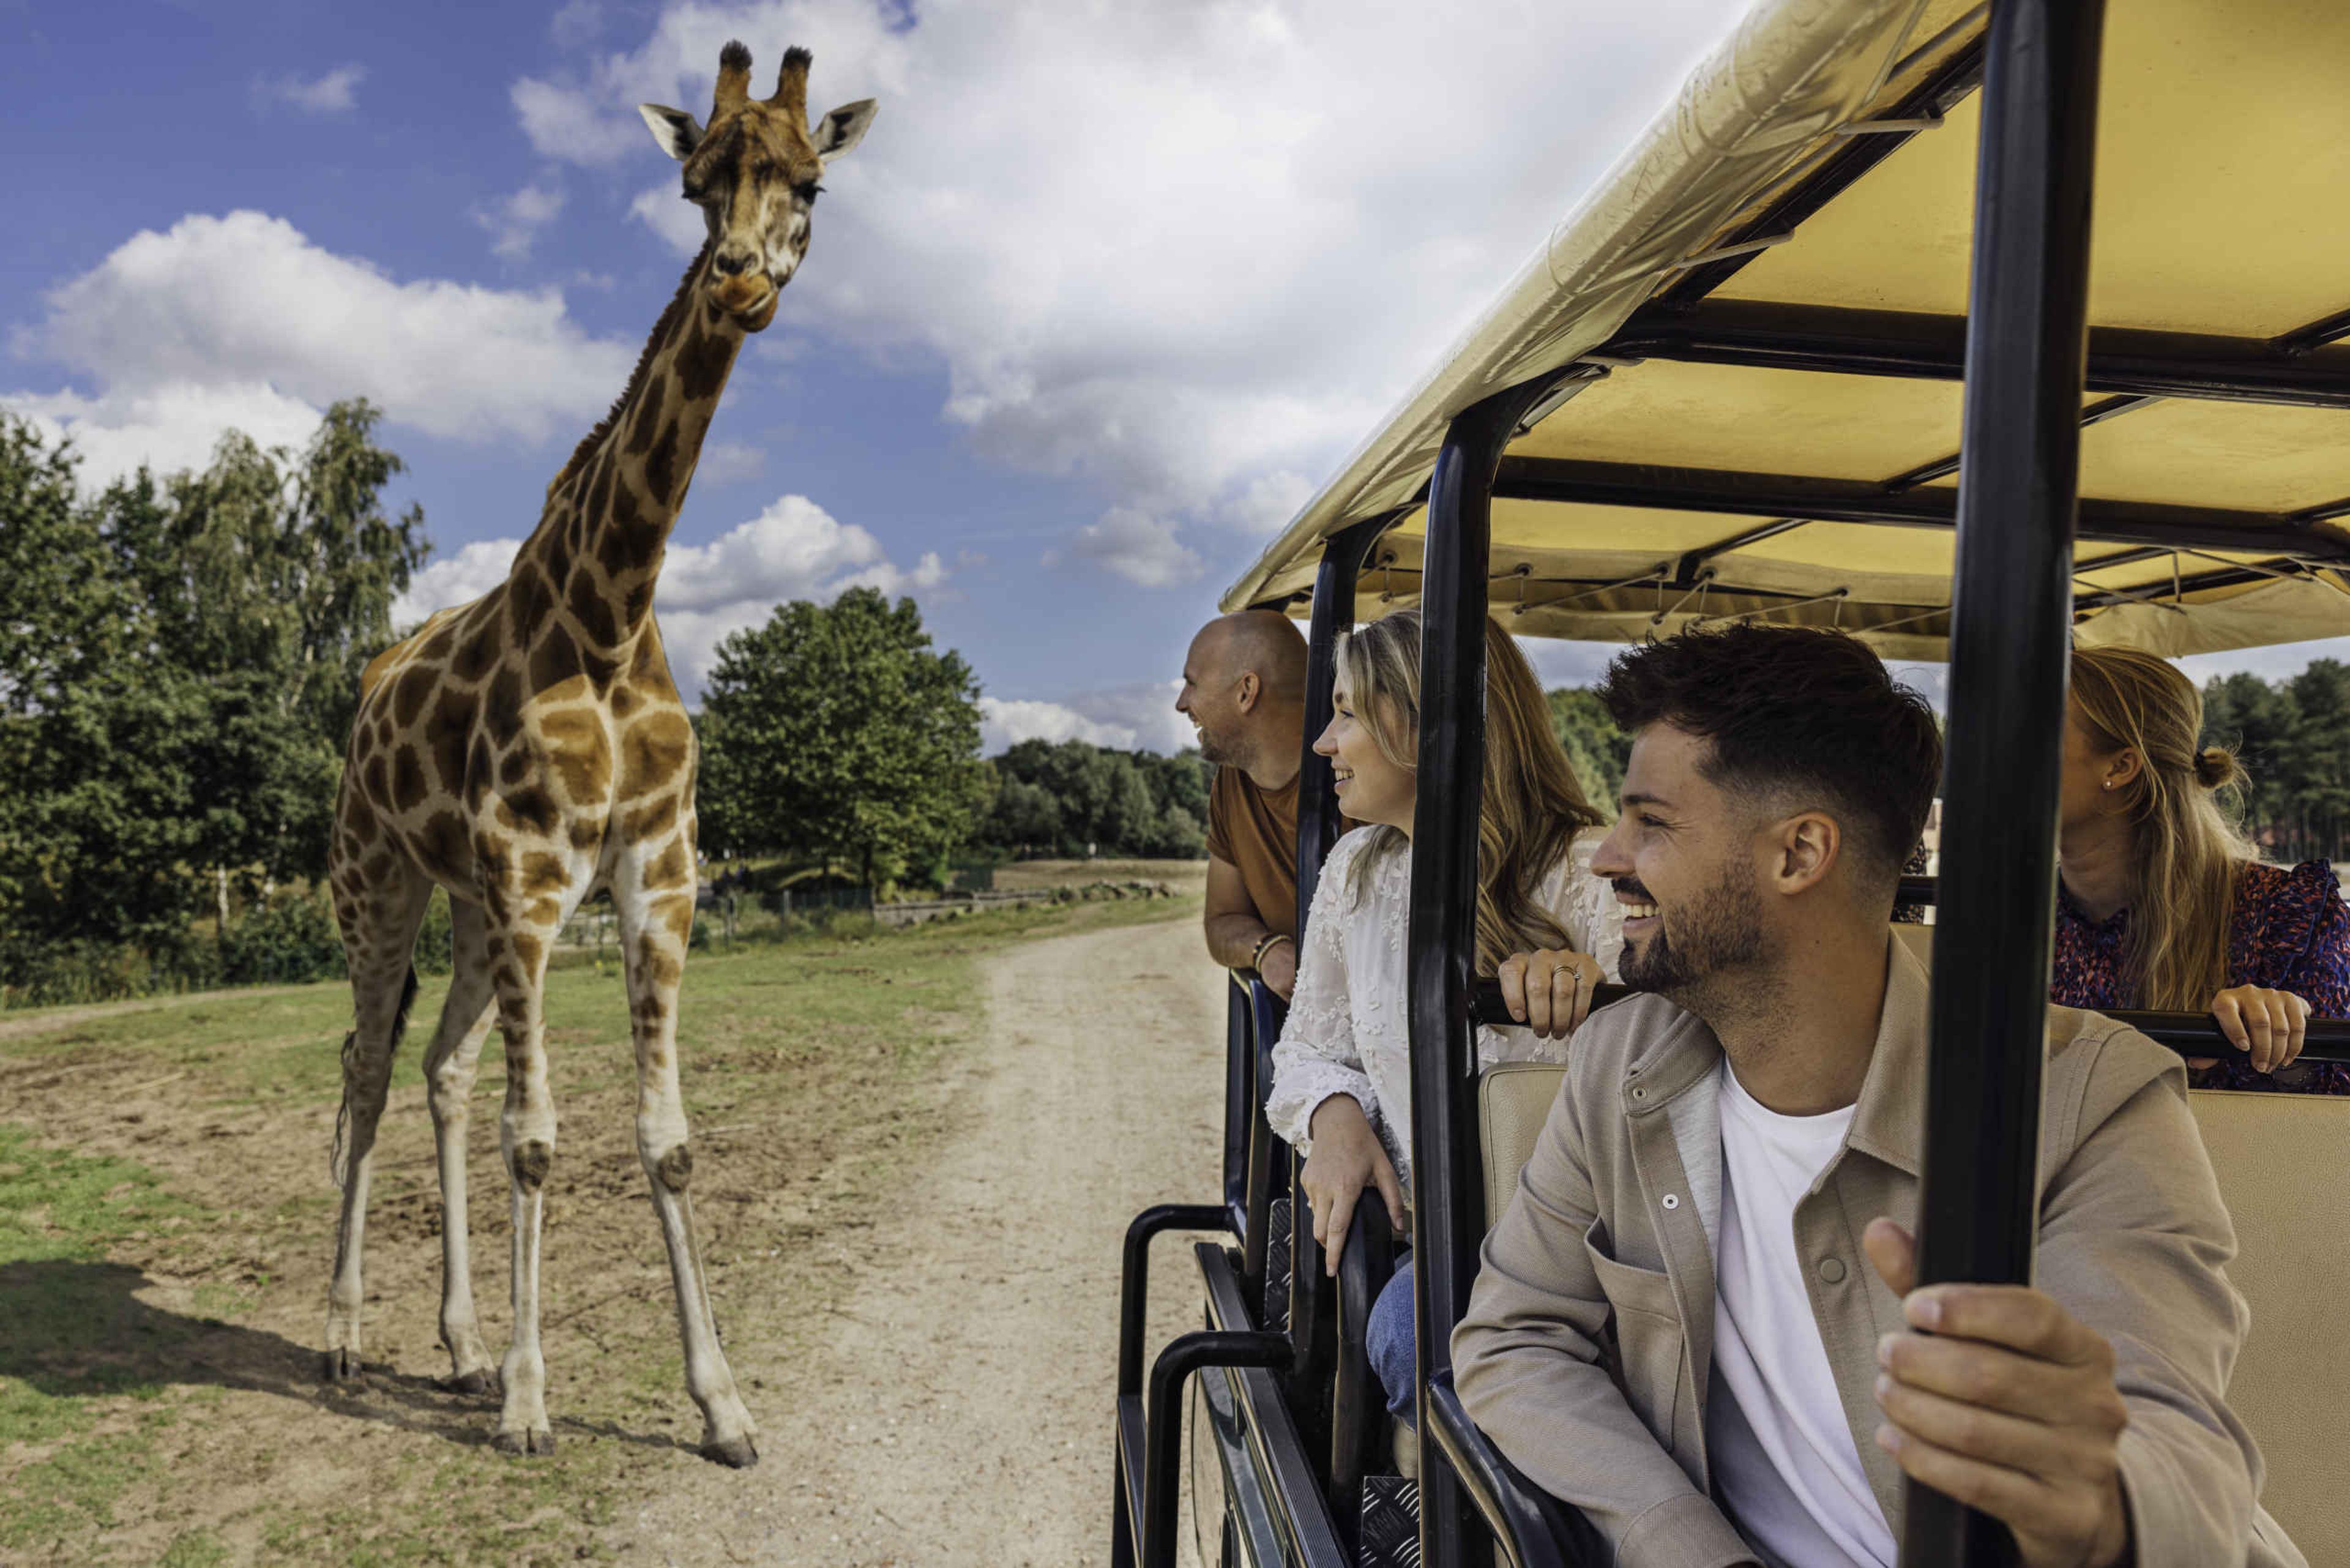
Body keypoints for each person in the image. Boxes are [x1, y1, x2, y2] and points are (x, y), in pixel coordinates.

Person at [1458, 624, 2299, 1568]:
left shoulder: (2091, 1099)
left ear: (1800, 852)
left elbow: (2173, 1442)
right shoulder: (1623, 1062)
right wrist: (1682, 1543)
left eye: (1650, 821)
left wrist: (2101, 1505)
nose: (1609, 856)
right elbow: (1513, 1335)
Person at [1263, 610, 1621, 1431]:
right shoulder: (1357, 869)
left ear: (1421, 723)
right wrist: (1334, 1115)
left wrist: (1588, 989)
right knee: (1403, 1329)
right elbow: (1310, 1046)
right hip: (1441, 1240)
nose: (1324, 742)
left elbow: (1664, 1066)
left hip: (1581, 1242)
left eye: (1348, 712)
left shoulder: (1586, 872)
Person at [2057, 644, 2350, 1094]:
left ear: (2121, 766)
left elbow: (2327, 1119)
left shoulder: (2287, 917)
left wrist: (2283, 1036)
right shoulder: (2003, 919)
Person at [1178, 610, 1321, 997]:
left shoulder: (1361, 778)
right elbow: (1222, 920)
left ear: (1246, 691)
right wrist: (1266, 951)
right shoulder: (1230, 783)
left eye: (1191, 684)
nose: (1181, 703)